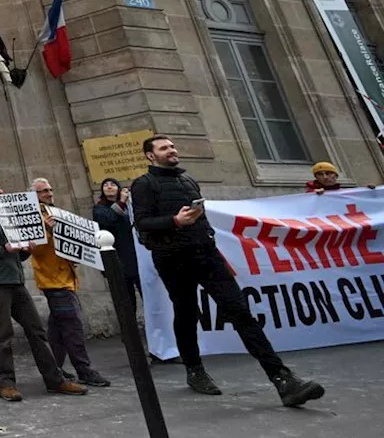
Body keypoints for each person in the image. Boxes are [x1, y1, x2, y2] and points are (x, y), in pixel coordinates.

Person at [131, 134, 325, 406]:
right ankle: (195, 370)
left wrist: (213, 246)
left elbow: (204, 222)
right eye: (164, 148)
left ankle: (282, 379)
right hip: (173, 259)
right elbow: (143, 223)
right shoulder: (144, 184)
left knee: (241, 313)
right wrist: (174, 220)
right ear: (151, 155)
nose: (172, 150)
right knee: (186, 314)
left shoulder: (187, 180)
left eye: (173, 146)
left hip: (207, 257)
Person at [0, 177, 88, 401]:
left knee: (36, 330)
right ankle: (6, 383)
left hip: (14, 279)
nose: (1, 190)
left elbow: (18, 251)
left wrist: (27, 247)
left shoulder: (6, 214)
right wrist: (4, 247)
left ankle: (55, 379)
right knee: (2, 333)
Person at [28, 178, 110, 388]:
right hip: (53, 280)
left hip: (64, 277)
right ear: (34, 196)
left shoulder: (55, 213)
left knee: (58, 326)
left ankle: (54, 367)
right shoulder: (34, 216)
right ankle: (83, 369)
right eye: (43, 191)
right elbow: (32, 248)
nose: (49, 193)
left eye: (50, 189)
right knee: (73, 325)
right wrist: (45, 230)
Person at [92, 178, 140, 307]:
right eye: (105, 185)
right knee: (126, 300)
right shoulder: (99, 208)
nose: (109, 187)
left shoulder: (128, 208)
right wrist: (121, 202)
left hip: (134, 256)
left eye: (113, 184)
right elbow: (109, 219)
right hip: (117, 258)